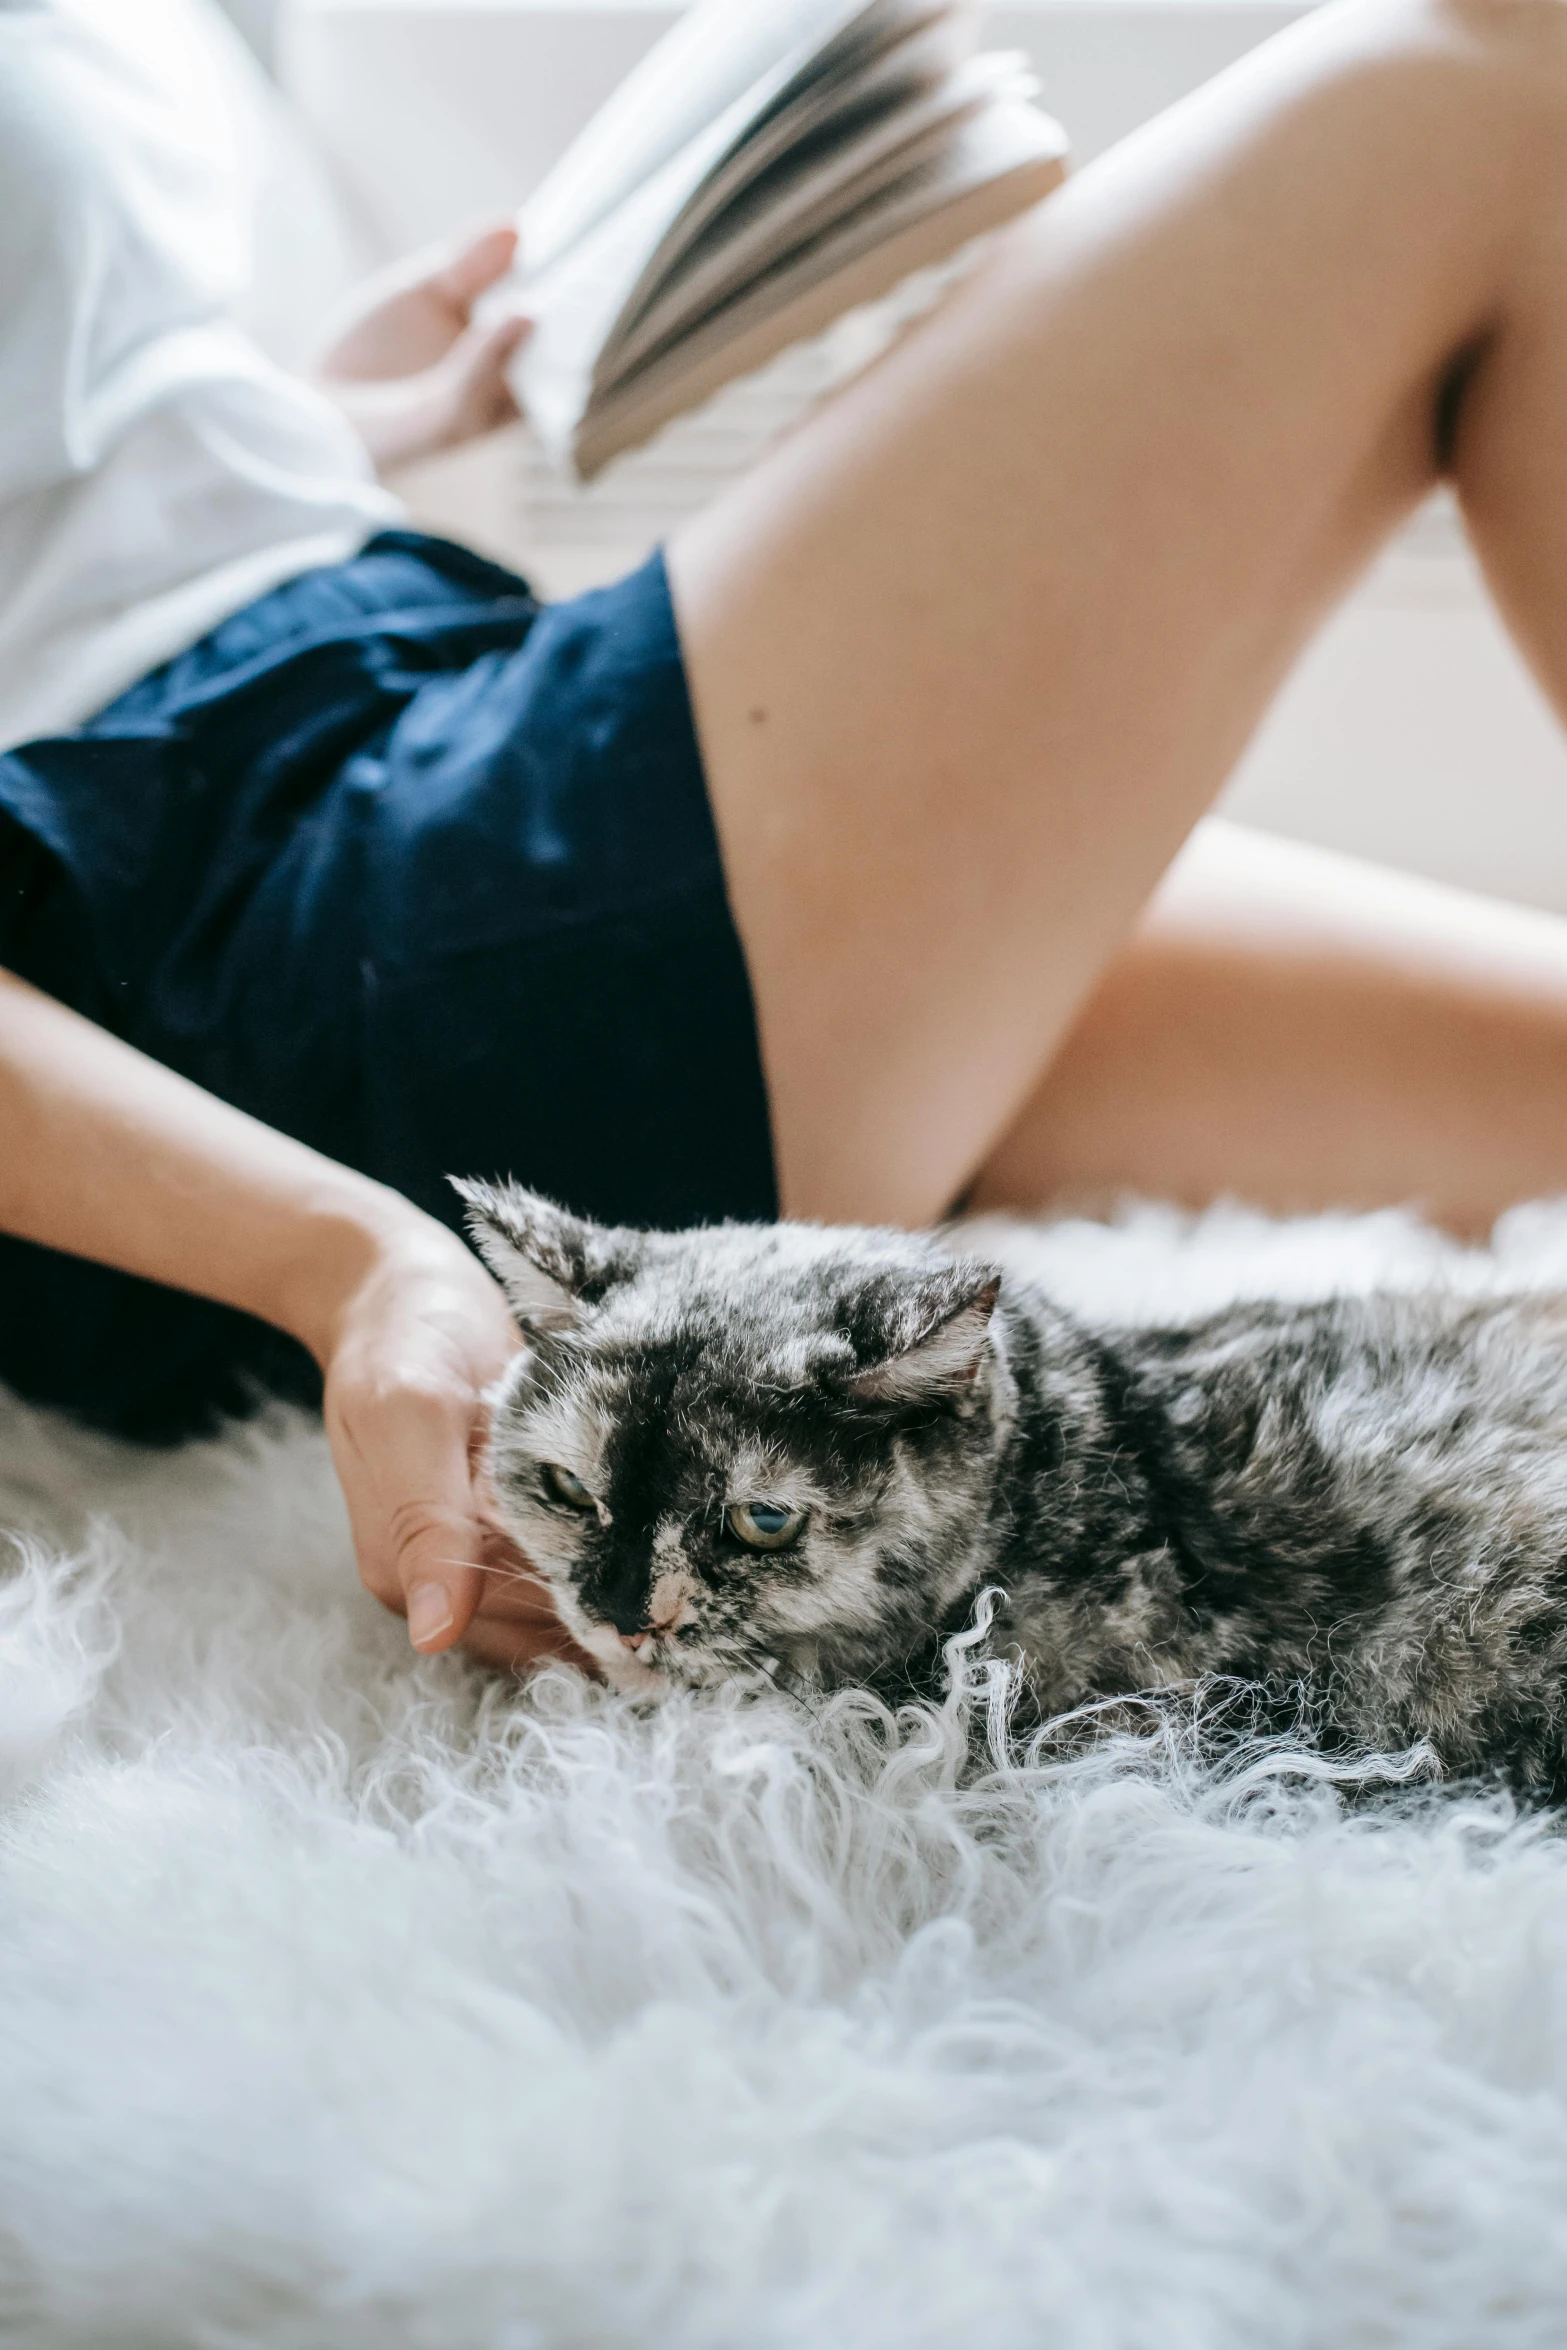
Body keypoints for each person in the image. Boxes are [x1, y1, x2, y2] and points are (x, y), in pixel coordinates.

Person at [9, 0, 1567, 1675]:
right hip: (216, 978)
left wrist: (284, 436)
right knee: (1488, 87)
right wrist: (359, 1253)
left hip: (352, 702)